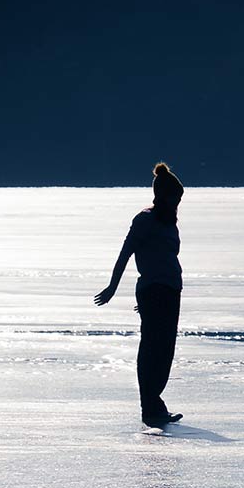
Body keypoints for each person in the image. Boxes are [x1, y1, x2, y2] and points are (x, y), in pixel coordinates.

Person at [94, 162, 186, 428]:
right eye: (174, 198)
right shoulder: (145, 220)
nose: (177, 203)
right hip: (153, 290)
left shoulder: (170, 223)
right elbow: (126, 253)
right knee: (152, 349)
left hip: (170, 291)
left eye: (178, 199)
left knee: (165, 349)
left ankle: (155, 403)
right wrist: (113, 287)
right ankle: (150, 407)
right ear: (161, 196)